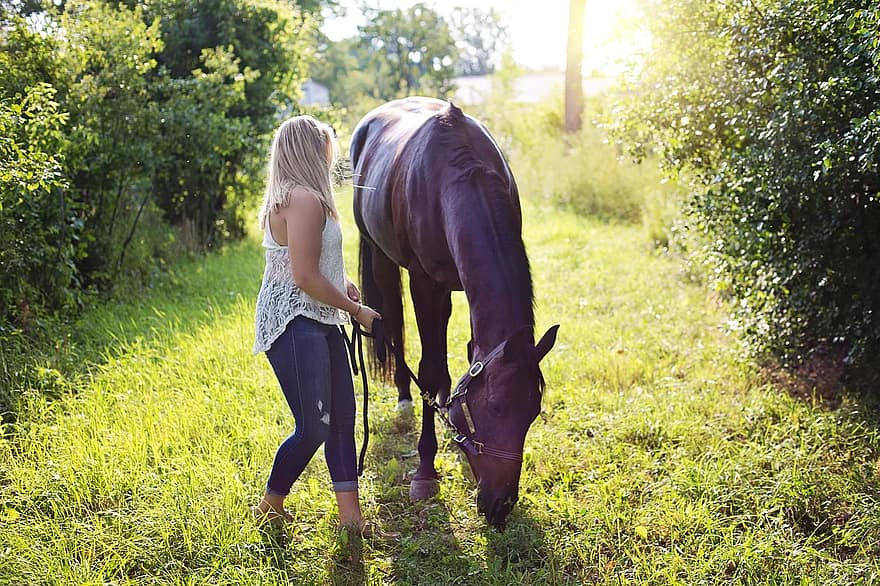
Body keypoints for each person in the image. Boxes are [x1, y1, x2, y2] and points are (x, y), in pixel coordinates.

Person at [251, 115, 381, 532]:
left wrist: (341, 282)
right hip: (294, 321)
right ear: (309, 151)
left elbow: (304, 262)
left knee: (342, 417)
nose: (332, 158)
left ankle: (351, 518)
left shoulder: (305, 197)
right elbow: (303, 277)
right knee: (313, 427)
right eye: (327, 149)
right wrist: (356, 310)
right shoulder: (302, 199)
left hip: (319, 315)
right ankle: (270, 503)